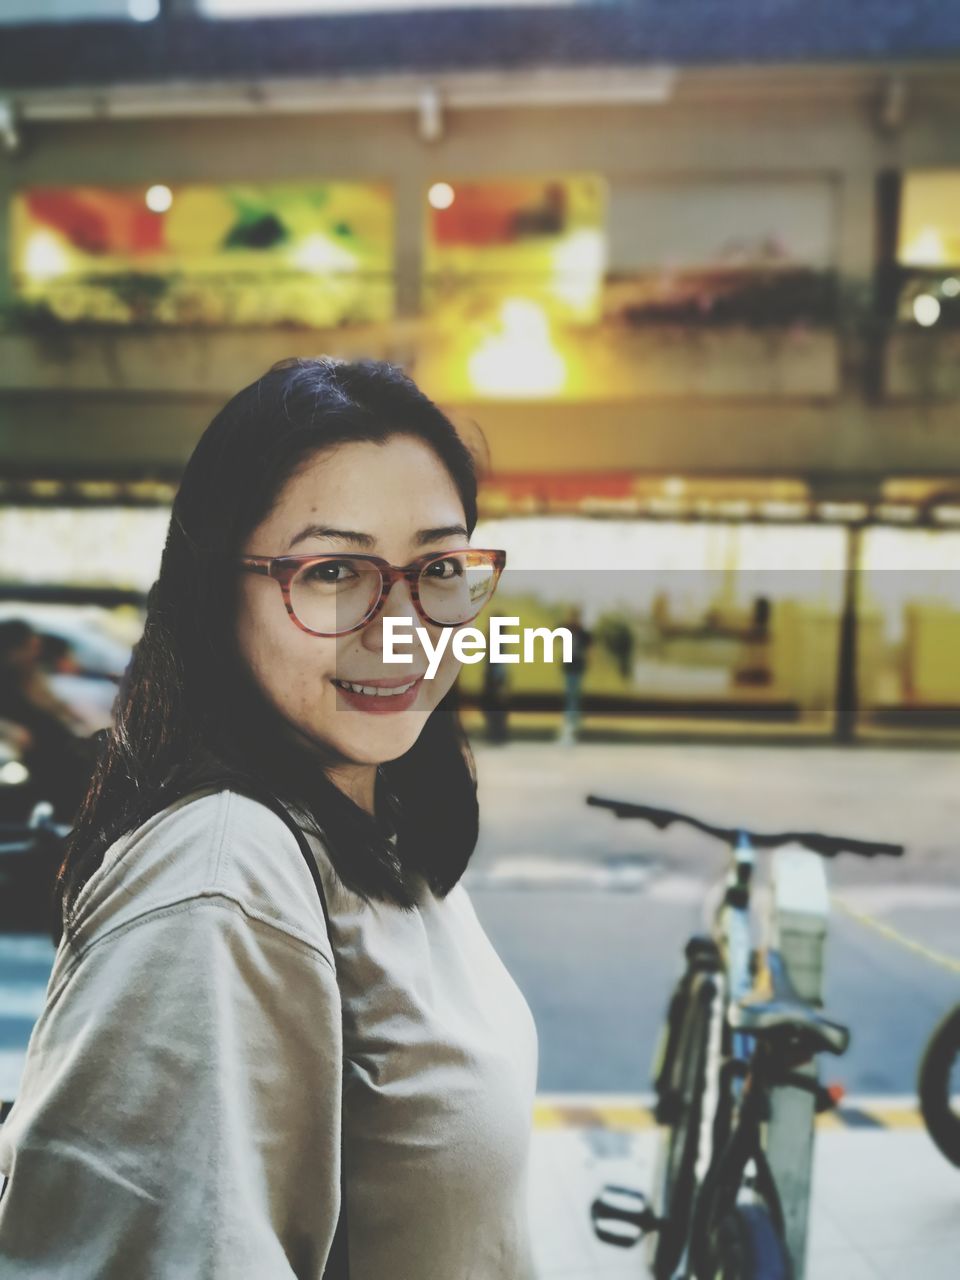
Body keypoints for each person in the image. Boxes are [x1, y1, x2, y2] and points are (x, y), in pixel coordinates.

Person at [0, 357, 539, 1279]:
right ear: (217, 592)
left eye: (438, 568)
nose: (401, 626)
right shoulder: (225, 869)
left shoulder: (372, 819)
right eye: (334, 571)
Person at [0, 619, 95, 821]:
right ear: (12, 651)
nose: (36, 652)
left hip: (57, 747)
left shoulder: (32, 675)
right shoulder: (7, 682)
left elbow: (57, 706)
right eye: (30, 647)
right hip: (35, 758)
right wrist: (9, 731)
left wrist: (79, 719)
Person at [558, 605, 591, 744]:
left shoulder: (581, 633)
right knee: (572, 696)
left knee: (572, 697)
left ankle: (571, 725)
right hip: (570, 668)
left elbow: (589, 648)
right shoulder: (568, 630)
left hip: (576, 668)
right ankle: (573, 723)